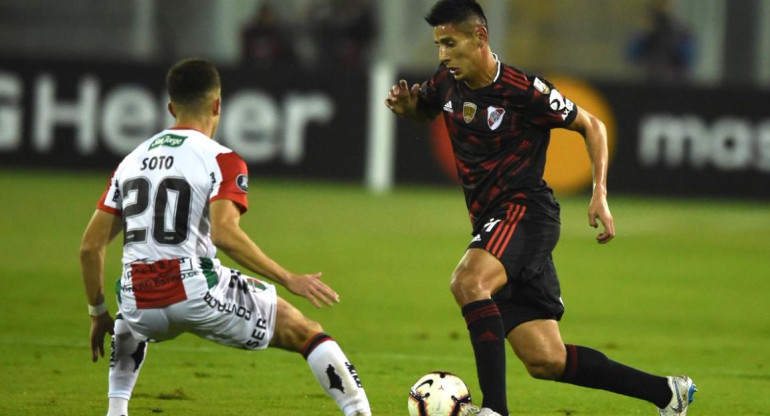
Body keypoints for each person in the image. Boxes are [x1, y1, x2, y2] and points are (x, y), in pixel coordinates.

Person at [383, 1, 696, 416]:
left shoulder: (523, 89)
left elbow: (593, 125)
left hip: (525, 212)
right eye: (438, 45)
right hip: (494, 224)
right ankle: (668, 393)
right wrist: (409, 111)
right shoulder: (447, 80)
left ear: (480, 37)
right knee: (546, 360)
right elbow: (425, 107)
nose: (442, 55)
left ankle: (495, 411)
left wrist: (599, 190)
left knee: (468, 282)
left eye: (450, 43)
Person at [80, 58, 371, 416]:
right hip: (195, 288)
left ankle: (116, 409)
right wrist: (288, 278)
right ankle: (359, 410)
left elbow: (89, 248)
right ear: (218, 104)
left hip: (141, 302)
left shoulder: (130, 161)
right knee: (305, 330)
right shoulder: (222, 159)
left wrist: (97, 314)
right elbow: (225, 234)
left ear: (171, 108)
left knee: (127, 308)